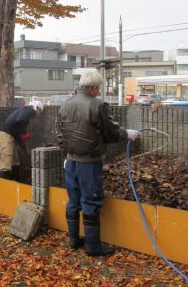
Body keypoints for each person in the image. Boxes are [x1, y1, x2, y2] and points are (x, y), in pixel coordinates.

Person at [57, 69, 140, 256]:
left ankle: (73, 240)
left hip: (70, 162)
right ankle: (93, 247)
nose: (100, 91)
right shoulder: (97, 105)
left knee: (74, 200)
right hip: (89, 162)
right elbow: (110, 131)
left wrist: (67, 154)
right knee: (91, 200)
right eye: (99, 88)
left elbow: (60, 135)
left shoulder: (66, 105)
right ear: (93, 87)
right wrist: (126, 133)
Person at [0, 101, 44, 181]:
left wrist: (25, 148)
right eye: (40, 111)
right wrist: (25, 132)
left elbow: (18, 132)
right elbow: (19, 121)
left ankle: (16, 183)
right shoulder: (28, 110)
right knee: (6, 162)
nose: (39, 114)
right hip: (5, 135)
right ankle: (2, 186)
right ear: (37, 108)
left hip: (10, 136)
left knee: (15, 161)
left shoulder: (26, 113)